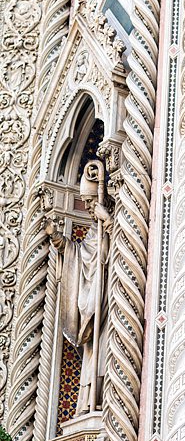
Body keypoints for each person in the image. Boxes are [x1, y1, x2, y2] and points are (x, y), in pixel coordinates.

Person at [45, 161, 112, 415]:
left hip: (114, 306)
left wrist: (109, 223)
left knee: (104, 355)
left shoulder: (111, 224)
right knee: (91, 353)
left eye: (91, 203)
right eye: (84, 203)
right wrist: (58, 240)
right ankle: (85, 402)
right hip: (94, 302)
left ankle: (97, 400)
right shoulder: (95, 231)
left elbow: (116, 255)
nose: (88, 208)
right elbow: (81, 254)